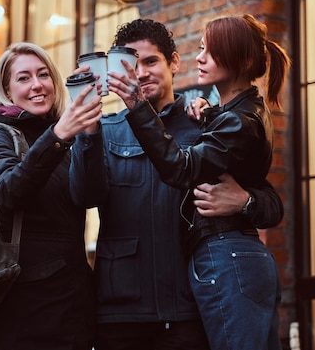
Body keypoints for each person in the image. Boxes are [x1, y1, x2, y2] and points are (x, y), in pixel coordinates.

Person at [70, 18, 284, 350]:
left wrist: (243, 201)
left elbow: (271, 204)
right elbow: (84, 196)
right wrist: (87, 133)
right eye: (131, 64)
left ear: (173, 63)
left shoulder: (206, 124)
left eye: (150, 61)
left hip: (188, 308)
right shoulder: (105, 130)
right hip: (120, 311)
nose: (140, 73)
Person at [0, 42, 102, 350]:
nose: (37, 85)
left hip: (71, 303)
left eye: (43, 74)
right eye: (23, 77)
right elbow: (9, 190)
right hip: (24, 310)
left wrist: (90, 133)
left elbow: (91, 195)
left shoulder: (62, 135)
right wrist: (58, 136)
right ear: (6, 89)